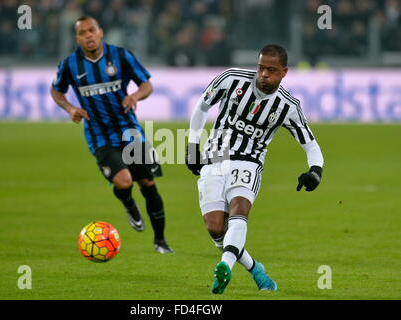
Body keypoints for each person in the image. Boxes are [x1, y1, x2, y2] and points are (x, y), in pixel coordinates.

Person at [186, 44, 324, 293]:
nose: (263, 75)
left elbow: (311, 145)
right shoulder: (231, 79)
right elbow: (202, 107)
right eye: (260, 68)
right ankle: (255, 270)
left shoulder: (288, 106)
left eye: (271, 70)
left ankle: (224, 266)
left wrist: (315, 171)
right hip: (214, 158)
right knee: (216, 228)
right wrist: (192, 145)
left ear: (284, 72)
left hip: (249, 162)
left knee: (240, 210)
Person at [50, 16, 174, 254]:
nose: (88, 35)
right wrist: (70, 108)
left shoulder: (120, 56)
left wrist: (135, 96)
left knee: (148, 183)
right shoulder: (70, 65)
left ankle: (160, 241)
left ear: (101, 32)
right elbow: (56, 90)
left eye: (92, 30)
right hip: (99, 135)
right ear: (77, 38)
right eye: (83, 32)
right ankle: (128, 203)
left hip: (129, 131)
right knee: (124, 181)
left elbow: (147, 84)